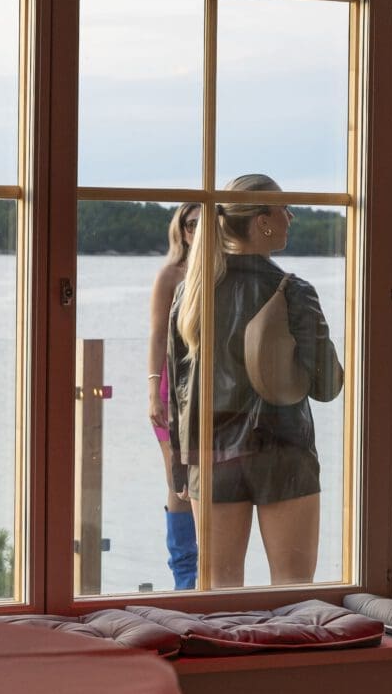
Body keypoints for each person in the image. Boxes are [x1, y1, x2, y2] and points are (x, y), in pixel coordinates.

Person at [167, 174, 343, 588]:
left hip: (211, 455)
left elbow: (179, 390)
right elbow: (327, 386)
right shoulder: (294, 291)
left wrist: (180, 468)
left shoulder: (191, 293)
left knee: (218, 592)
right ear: (262, 221)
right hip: (284, 453)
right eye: (284, 209)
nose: (291, 217)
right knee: (293, 588)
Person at [147, 202, 200, 589]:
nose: (198, 230)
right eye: (191, 223)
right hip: (172, 385)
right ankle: (185, 579)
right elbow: (156, 335)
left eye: (207, 222)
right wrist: (153, 390)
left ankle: (211, 576)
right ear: (181, 230)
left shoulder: (224, 273)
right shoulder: (170, 275)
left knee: (206, 481)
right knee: (178, 481)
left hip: (213, 388)